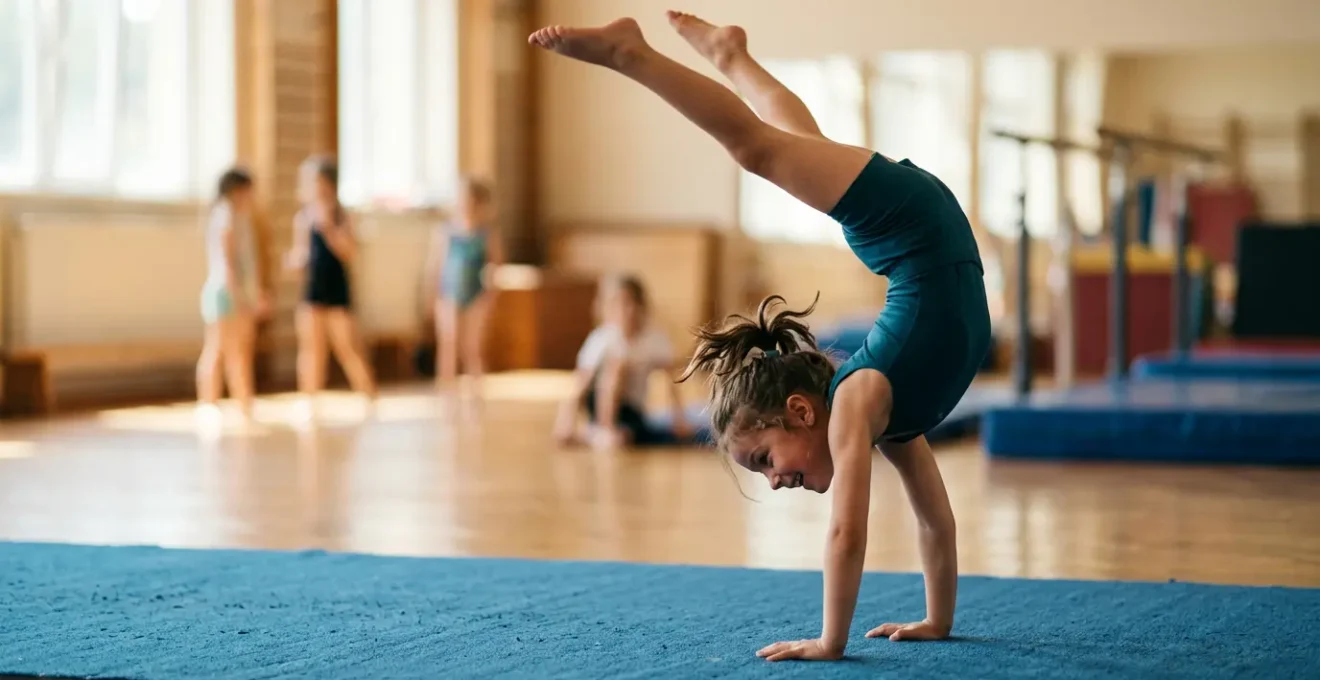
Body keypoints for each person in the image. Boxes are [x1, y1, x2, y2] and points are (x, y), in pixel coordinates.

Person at [530, 12, 990, 661]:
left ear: (800, 410)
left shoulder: (859, 399)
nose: (773, 482)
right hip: (919, 233)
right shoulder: (892, 413)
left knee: (757, 150)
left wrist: (831, 642)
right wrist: (937, 621)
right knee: (796, 145)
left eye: (765, 458)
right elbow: (933, 521)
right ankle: (731, 56)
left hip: (919, 230)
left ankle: (631, 54)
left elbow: (846, 534)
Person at [285, 155, 378, 419]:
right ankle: (309, 399)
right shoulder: (303, 218)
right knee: (311, 349)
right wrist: (294, 262)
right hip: (313, 290)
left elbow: (349, 252)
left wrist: (328, 228)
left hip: (337, 290)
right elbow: (301, 253)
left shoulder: (341, 215)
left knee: (348, 346)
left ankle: (367, 393)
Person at [553, 274, 690, 450]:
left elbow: (672, 380)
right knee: (618, 365)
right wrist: (565, 420)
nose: (626, 311)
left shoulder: (655, 339)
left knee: (625, 439)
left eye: (631, 303)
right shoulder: (602, 338)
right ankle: (605, 427)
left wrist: (680, 420)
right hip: (598, 402)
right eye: (618, 304)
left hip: (631, 409)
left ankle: (595, 435)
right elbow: (580, 383)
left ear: (642, 306)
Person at [424, 177, 504, 408]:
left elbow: (495, 266)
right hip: (449, 294)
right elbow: (435, 266)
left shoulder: (486, 233)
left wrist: (491, 296)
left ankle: (476, 393)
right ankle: (447, 392)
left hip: (476, 294)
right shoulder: (446, 231)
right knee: (449, 343)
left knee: (473, 346)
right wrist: (432, 295)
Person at [197, 167, 269, 422]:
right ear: (238, 191)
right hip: (226, 292)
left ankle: (238, 401)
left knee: (229, 349)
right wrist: (240, 297)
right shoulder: (225, 214)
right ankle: (224, 402)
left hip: (231, 291)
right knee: (228, 349)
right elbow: (230, 262)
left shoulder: (239, 216)